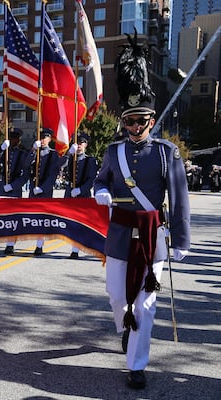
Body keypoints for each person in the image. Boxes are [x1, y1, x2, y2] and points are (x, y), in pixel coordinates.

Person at [94, 34, 191, 390]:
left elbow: (179, 199)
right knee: (117, 297)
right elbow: (100, 181)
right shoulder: (112, 151)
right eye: (130, 121)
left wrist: (181, 240)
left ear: (152, 120)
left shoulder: (167, 153)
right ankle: (125, 328)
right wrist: (102, 192)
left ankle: (136, 364)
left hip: (153, 236)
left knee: (145, 305)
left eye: (141, 121)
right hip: (119, 233)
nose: (135, 128)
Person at [0, 127, 30, 254]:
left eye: (15, 138)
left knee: (13, 217)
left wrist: (14, 186)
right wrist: (1, 149)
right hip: (3, 186)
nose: (13, 140)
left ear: (19, 140)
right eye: (11, 138)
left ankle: (10, 243)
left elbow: (25, 175)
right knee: (2, 216)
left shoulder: (23, 154)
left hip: (14, 188)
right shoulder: (3, 152)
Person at [61, 132, 98, 259]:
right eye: (77, 143)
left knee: (80, 222)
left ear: (86, 145)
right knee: (70, 222)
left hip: (82, 194)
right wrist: (68, 154)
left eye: (82, 143)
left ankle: (75, 249)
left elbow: (91, 179)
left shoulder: (90, 160)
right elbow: (60, 166)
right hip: (70, 192)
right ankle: (74, 247)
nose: (79, 145)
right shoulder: (70, 157)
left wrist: (81, 190)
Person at [25, 128, 60, 255]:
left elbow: (53, 174)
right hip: (33, 189)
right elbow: (26, 165)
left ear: (50, 139)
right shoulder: (34, 152)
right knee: (32, 217)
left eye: (45, 137)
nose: (42, 139)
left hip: (44, 191)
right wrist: (33, 150)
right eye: (40, 137)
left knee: (43, 218)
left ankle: (39, 245)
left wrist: (43, 188)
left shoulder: (53, 154)